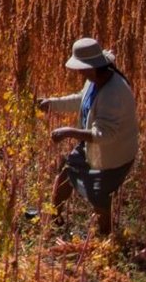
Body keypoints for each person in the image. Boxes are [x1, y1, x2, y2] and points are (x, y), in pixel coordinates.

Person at [37, 37, 139, 237]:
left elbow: (105, 135)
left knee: (98, 194)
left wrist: (68, 132)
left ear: (92, 67)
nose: (78, 72)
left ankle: (106, 237)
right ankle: (54, 219)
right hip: (90, 146)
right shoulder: (95, 80)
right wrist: (52, 103)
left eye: (80, 68)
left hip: (112, 155)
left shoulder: (114, 92)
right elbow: (80, 99)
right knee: (67, 173)